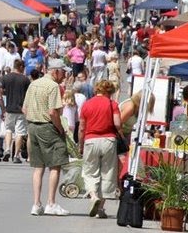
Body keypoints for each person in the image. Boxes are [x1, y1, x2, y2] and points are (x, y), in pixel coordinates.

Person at [23, 59, 71, 216]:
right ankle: (51, 202)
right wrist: (60, 129)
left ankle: (36, 203)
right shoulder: (53, 86)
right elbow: (52, 112)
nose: (64, 75)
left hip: (32, 126)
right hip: (47, 127)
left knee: (38, 167)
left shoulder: (34, 84)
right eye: (63, 71)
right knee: (55, 164)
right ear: (55, 71)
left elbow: (24, 108)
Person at [78, 80, 122, 219]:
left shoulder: (87, 104)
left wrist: (80, 144)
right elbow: (117, 124)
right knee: (107, 173)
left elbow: (81, 128)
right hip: (109, 140)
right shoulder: (112, 104)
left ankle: (93, 195)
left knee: (90, 171)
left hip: (90, 140)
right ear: (109, 92)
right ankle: (101, 208)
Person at [0, 59, 31, 164]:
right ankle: (16, 155)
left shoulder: (6, 78)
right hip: (21, 109)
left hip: (9, 108)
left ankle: (7, 149)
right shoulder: (25, 80)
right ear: (21, 67)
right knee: (20, 133)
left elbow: (0, 91)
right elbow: (28, 94)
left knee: (8, 130)